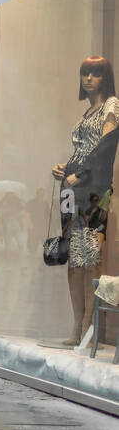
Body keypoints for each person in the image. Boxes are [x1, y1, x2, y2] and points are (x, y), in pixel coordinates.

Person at [52, 56, 119, 345]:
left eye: (95, 74)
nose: (88, 78)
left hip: (94, 192)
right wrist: (64, 171)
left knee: (93, 258)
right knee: (73, 259)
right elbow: (79, 152)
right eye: (85, 73)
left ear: (105, 78)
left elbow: (104, 149)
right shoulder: (85, 114)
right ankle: (76, 325)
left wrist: (80, 175)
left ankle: (92, 327)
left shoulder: (111, 106)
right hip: (70, 192)